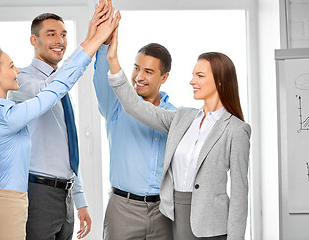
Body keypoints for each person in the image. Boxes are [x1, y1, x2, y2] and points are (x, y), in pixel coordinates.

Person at [0, 7, 120, 240]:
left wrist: (78, 198)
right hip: (30, 196)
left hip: (52, 196)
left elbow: (65, 146)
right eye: (51, 34)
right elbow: (49, 92)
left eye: (64, 34)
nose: (15, 70)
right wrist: (93, 40)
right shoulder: (19, 95)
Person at [105, 26, 251, 240]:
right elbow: (135, 107)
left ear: (219, 81)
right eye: (193, 75)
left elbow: (239, 195)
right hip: (175, 219)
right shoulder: (182, 117)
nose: (192, 81)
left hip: (212, 226)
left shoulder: (236, 130)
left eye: (199, 76)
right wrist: (113, 61)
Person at [94, 27, 175, 240]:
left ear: (164, 77)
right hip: (123, 210)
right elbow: (103, 78)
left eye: (148, 72)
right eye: (136, 68)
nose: (138, 77)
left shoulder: (174, 116)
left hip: (163, 211)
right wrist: (105, 45)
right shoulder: (116, 105)